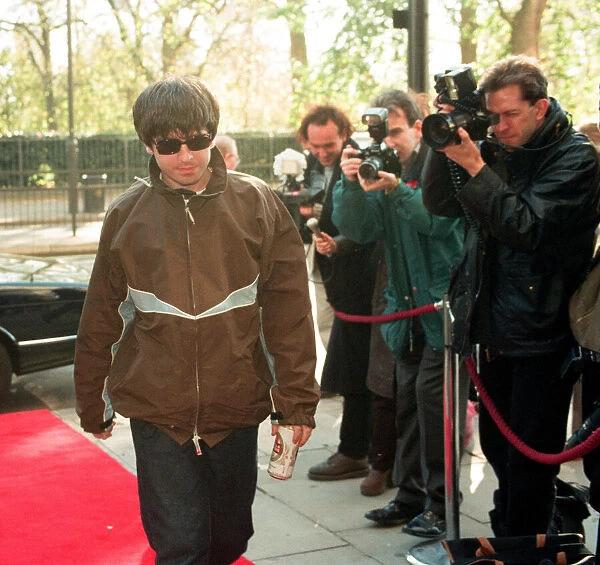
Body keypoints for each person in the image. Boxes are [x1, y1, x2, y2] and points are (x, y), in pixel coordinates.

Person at [73, 75, 320, 564]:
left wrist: (296, 403)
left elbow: (290, 311)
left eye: (199, 140)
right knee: (181, 545)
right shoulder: (126, 216)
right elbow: (101, 314)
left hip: (236, 404)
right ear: (149, 144)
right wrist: (90, 401)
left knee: (229, 539)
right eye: (169, 144)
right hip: (157, 410)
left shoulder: (258, 204)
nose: (186, 155)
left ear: (214, 135)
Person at [422, 55, 600, 536]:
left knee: (528, 457)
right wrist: (444, 145)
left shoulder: (576, 157)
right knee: (499, 447)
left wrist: (477, 166)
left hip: (543, 328)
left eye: (509, 115)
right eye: (491, 116)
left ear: (540, 107)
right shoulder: (498, 146)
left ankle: (521, 541)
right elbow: (439, 203)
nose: (498, 127)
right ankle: (531, 528)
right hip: (493, 320)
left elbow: (528, 226)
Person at [332, 89, 466, 538]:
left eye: (394, 131)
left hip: (441, 305)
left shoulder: (443, 159)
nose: (388, 141)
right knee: (407, 402)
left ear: (416, 124)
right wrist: (348, 182)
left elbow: (440, 225)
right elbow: (358, 227)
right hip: (406, 310)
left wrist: (397, 190)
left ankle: (442, 503)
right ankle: (410, 498)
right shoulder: (384, 164)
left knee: (433, 406)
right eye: (381, 133)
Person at [298, 105, 377, 481]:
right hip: (335, 277)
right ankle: (361, 448)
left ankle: (356, 450)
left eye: (329, 144)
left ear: (344, 133)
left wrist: (341, 244)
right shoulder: (315, 162)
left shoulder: (361, 159)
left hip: (361, 283)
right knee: (350, 366)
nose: (323, 153)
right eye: (316, 147)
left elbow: (369, 223)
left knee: (357, 369)